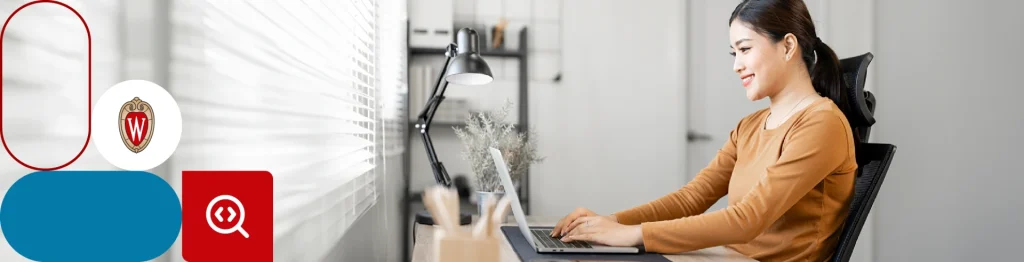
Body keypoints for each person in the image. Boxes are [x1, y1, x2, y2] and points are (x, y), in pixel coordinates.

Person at [552, 0, 858, 261]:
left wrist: (632, 234)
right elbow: (691, 199)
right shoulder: (749, 126)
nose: (737, 65)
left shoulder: (822, 124)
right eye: (733, 53)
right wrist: (609, 222)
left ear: (788, 46)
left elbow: (748, 220)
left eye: (745, 49)